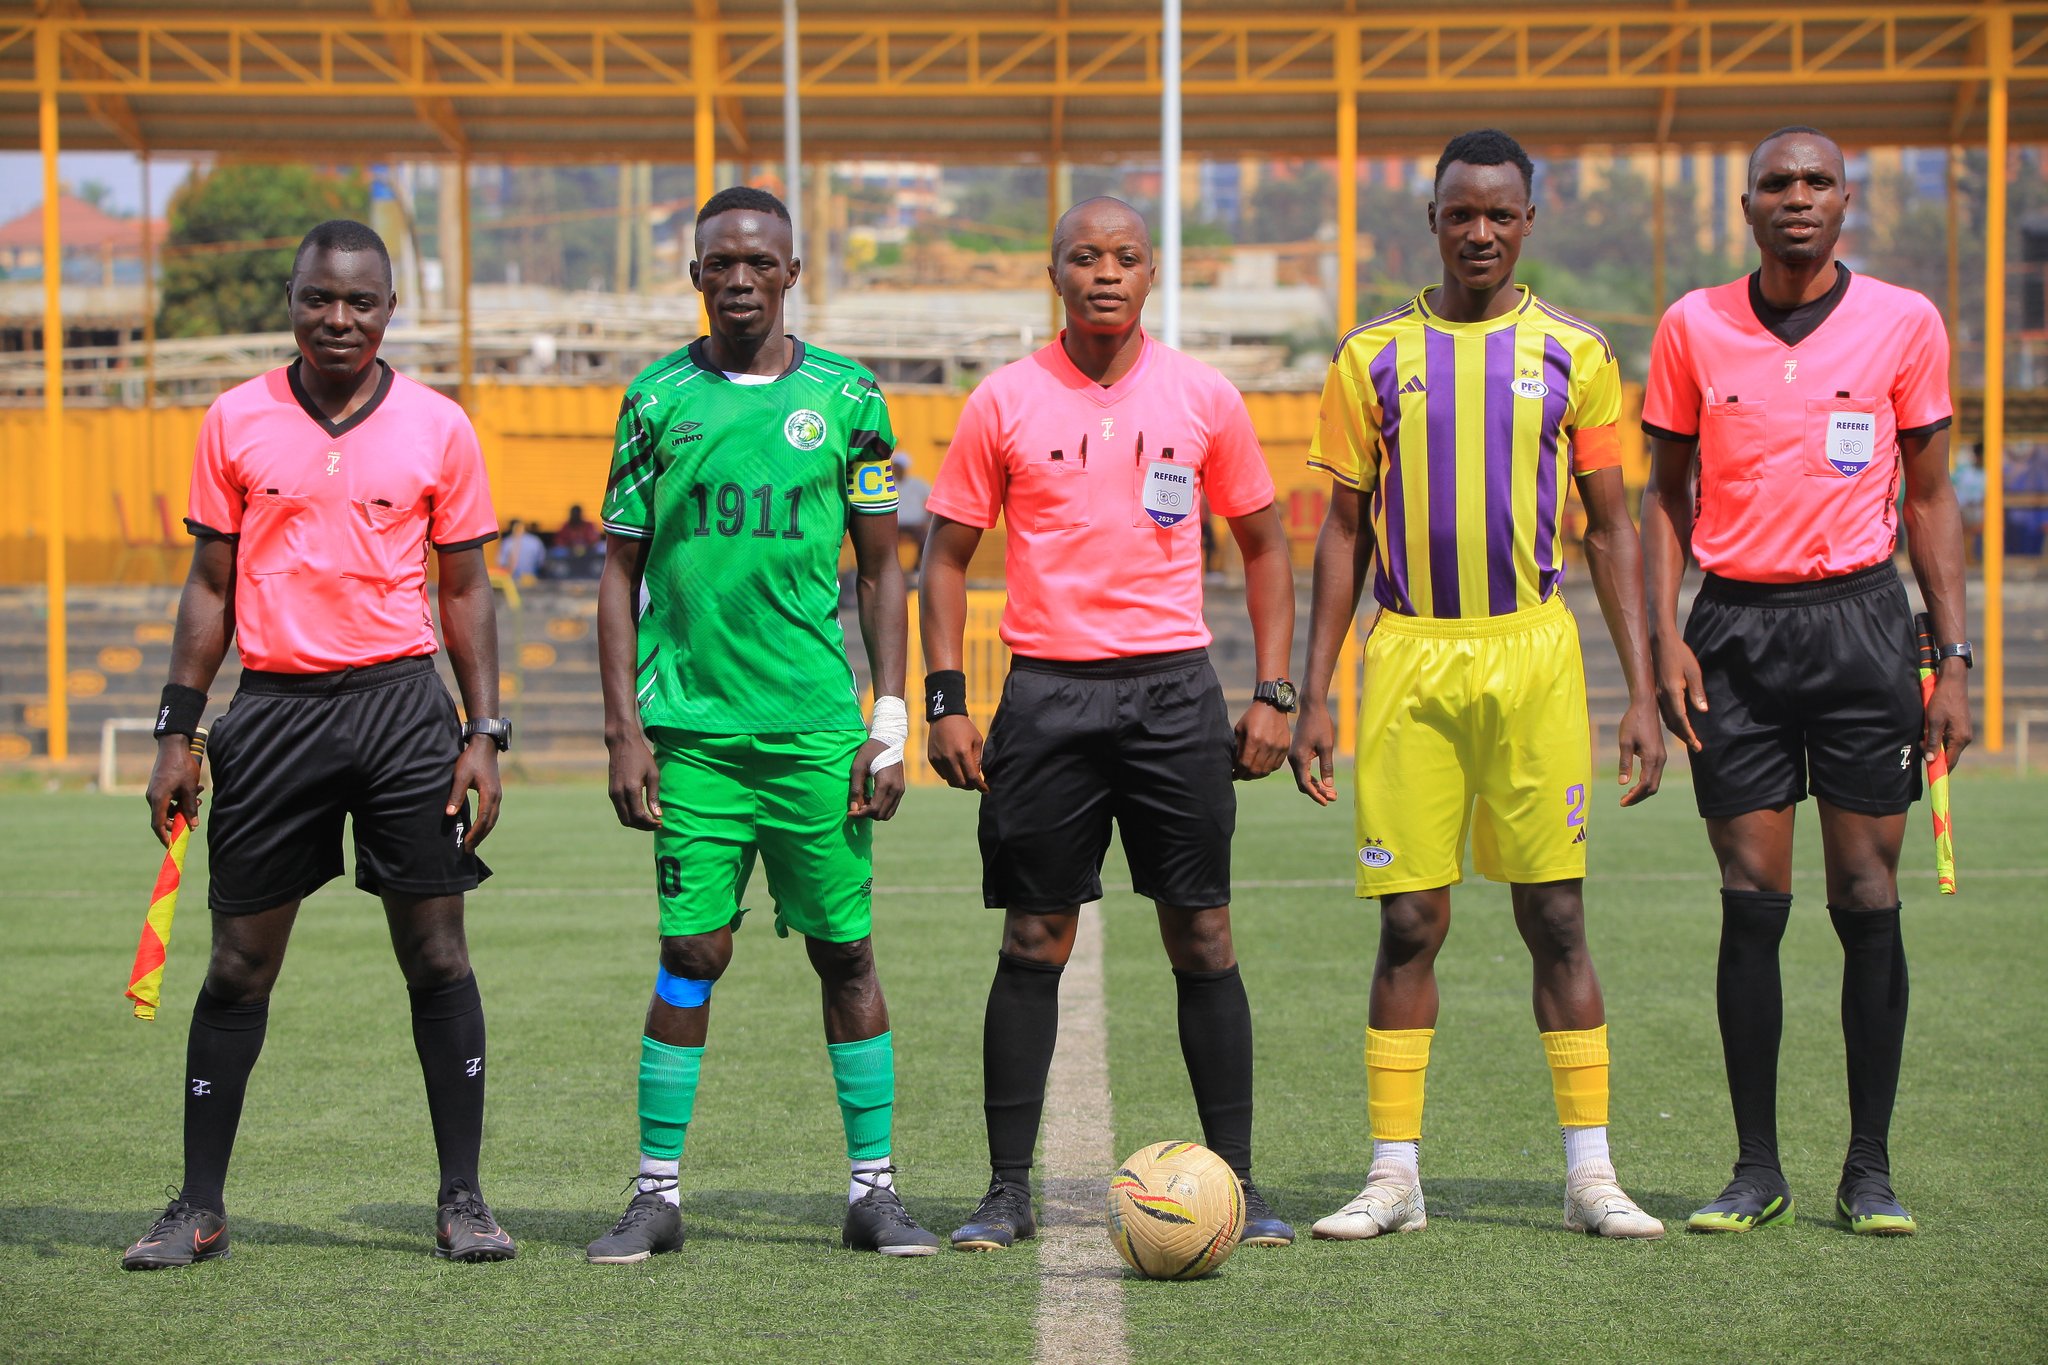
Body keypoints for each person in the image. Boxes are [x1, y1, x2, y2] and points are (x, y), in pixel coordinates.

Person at [1289, 129, 1668, 1243]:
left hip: (1533, 655)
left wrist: (1643, 692)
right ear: (1432, 220)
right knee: (1409, 921)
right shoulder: (1369, 356)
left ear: (1528, 222)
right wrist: (1312, 690)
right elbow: (1341, 532)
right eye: (1461, 212)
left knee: (1556, 915)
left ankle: (1590, 1173)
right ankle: (1393, 1174)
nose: (1481, 232)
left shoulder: (1577, 353)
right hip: (1408, 654)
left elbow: (1612, 529)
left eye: (1500, 213)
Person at [127, 220, 513, 1269]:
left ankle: (464, 1200)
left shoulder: (438, 425)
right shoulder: (234, 418)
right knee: (239, 964)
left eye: (360, 302)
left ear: (390, 309)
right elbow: (209, 586)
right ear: (291, 301)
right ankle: (198, 1206)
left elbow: (465, 590)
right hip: (274, 713)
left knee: (437, 954)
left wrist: (482, 731)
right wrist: (177, 731)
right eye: (318, 299)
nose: (338, 319)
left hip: (401, 711)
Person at [923, 196, 1298, 1252]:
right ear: (1053, 273)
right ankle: (1005, 1190)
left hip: (1174, 694)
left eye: (1125, 256)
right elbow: (943, 557)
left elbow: (1266, 545)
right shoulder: (1002, 400)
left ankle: (1237, 1181)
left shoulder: (1204, 395)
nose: (1104, 273)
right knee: (1033, 935)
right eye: (1084, 256)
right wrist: (946, 697)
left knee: (1203, 932)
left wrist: (1274, 692)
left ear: (1150, 274)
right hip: (1046, 696)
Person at [586, 186, 941, 1262]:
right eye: (720, 263)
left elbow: (881, 569)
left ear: (791, 273)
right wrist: (624, 731)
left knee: (846, 952)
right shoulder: (654, 400)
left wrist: (889, 718)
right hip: (693, 732)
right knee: (690, 949)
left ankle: (873, 1191)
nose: (739, 278)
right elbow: (618, 573)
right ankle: (655, 1194)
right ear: (695, 274)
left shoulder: (849, 398)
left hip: (814, 731)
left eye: (759, 261)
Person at [1640, 126, 1972, 1237]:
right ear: (1745, 206)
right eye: (1775, 183)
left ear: (1844, 201)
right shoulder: (1691, 325)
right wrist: (1663, 638)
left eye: (1816, 181)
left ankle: (1868, 1171)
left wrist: (1954, 658)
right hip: (1732, 631)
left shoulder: (1904, 322)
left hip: (1862, 627)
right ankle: (1755, 1170)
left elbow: (1929, 497)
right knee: (1750, 900)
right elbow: (1660, 497)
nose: (1796, 197)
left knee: (1867, 896)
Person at [892, 453, 932, 573]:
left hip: (915, 525)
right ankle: (891, 568)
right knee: (883, 541)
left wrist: (928, 521)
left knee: (927, 539)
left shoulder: (918, 484)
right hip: (894, 524)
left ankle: (917, 568)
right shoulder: (888, 484)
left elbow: (930, 501)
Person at [496, 517, 544, 583]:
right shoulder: (535, 541)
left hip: (513, 580)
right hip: (531, 579)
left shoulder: (507, 542)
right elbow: (540, 562)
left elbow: (501, 562)